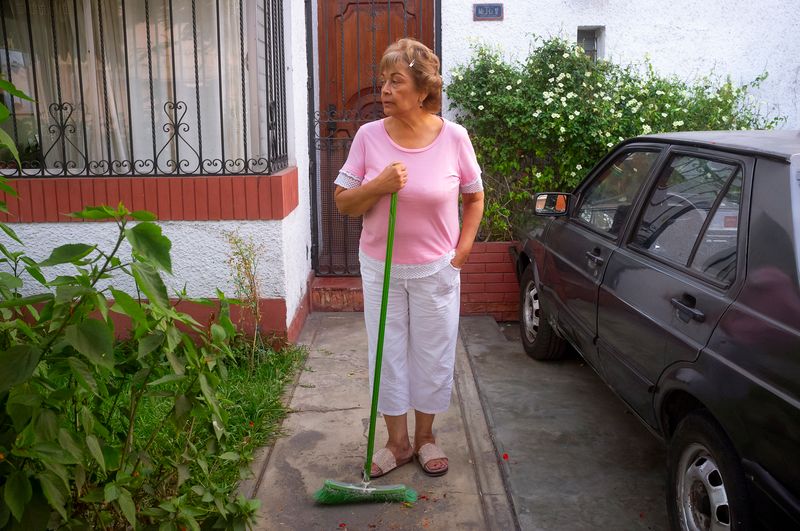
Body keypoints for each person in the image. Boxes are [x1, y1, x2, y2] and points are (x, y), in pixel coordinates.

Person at [334, 38, 484, 478]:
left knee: (433, 354)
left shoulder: (454, 137)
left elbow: (474, 198)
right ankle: (396, 443)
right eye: (382, 79)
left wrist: (462, 252)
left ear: (422, 91)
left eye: (395, 80)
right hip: (381, 269)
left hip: (437, 268)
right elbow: (344, 203)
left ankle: (425, 438)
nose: (384, 88)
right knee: (387, 354)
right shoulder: (368, 137)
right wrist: (378, 185)